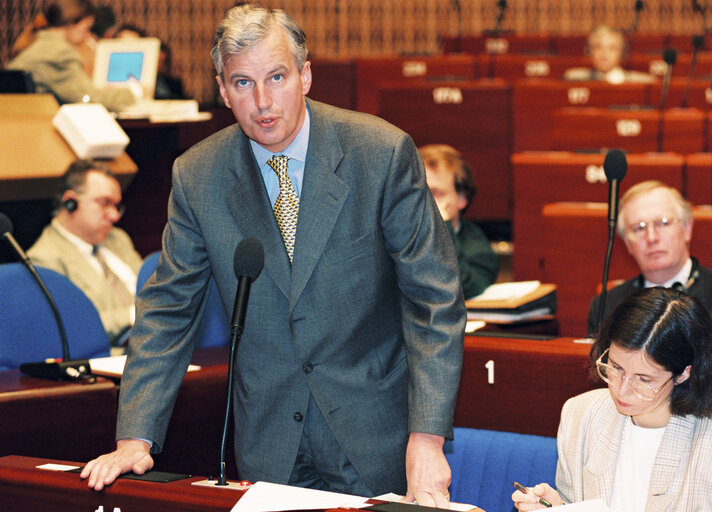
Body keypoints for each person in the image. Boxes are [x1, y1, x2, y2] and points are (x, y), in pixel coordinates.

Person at [81, 5, 465, 506]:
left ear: (305, 75)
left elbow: (434, 301)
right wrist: (136, 436)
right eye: (242, 83)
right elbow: (167, 310)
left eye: (276, 77)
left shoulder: (380, 153)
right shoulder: (199, 176)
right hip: (269, 443)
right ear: (222, 90)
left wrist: (428, 437)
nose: (262, 102)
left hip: (376, 438)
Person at [514, 287, 712, 510]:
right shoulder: (580, 415)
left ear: (683, 373)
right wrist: (556, 507)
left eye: (644, 380)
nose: (622, 391)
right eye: (616, 368)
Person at [587, 180, 712, 350]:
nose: (651, 238)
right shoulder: (606, 306)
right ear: (627, 243)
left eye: (662, 223)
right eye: (639, 228)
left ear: (687, 229)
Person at [28, 160, 142, 347]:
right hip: (111, 358)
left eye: (116, 206)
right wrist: (136, 315)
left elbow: (152, 292)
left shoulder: (118, 238)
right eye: (105, 203)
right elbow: (73, 327)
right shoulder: (44, 258)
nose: (114, 215)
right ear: (70, 202)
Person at [7, 0, 138, 112]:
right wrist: (133, 92)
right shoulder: (59, 52)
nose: (87, 36)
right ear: (71, 24)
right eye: (86, 28)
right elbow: (89, 97)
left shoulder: (36, 45)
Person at [419, 144, 498, 299]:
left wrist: (442, 231)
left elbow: (463, 290)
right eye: (416, 192)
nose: (422, 202)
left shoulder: (479, 251)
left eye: (435, 193)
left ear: (461, 198)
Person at [564, 25, 654, 84]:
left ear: (622, 53)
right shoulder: (573, 79)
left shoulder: (643, 83)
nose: (604, 54)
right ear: (589, 51)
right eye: (598, 48)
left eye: (612, 49)